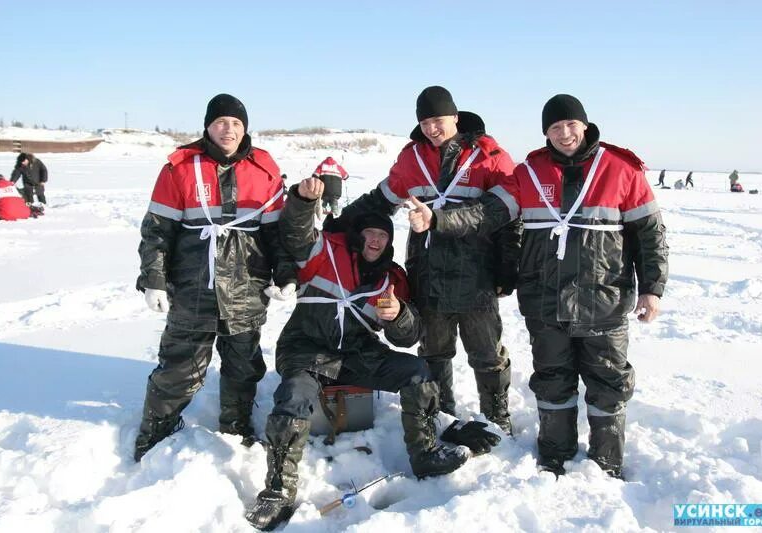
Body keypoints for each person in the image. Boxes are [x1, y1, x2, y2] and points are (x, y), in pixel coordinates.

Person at [408, 94, 669, 478]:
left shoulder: (620, 169)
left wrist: (652, 288)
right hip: (545, 301)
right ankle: (554, 455)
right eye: (555, 127)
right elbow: (487, 213)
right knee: (551, 381)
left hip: (605, 300)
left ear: (584, 124)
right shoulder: (528, 172)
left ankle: (607, 462)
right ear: (545, 132)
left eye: (571, 125)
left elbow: (650, 234)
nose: (564, 134)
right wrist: (438, 221)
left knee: (608, 384)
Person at [246, 178, 497, 531]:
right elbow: (295, 233)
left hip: (358, 355)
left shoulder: (390, 278)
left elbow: (410, 336)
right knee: (293, 396)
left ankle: (424, 454)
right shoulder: (325, 252)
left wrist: (399, 315)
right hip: (307, 351)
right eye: (370, 234)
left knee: (417, 371)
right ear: (358, 236)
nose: (376, 240)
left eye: (384, 236)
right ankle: (278, 490)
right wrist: (302, 201)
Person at [324, 86, 521, 434]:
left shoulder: (488, 156)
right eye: (425, 122)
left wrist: (507, 266)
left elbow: (503, 213)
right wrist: (339, 223)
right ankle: (442, 414)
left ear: (455, 118)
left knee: (486, 353)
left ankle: (497, 417)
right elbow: (379, 201)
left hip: (477, 275)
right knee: (434, 351)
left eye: (438, 120)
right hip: (428, 272)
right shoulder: (412, 159)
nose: (432, 129)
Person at [133, 93, 297, 462]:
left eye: (237, 123)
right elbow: (157, 231)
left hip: (247, 286)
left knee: (243, 364)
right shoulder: (178, 168)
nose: (229, 129)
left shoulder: (265, 169)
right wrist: (154, 279)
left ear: (245, 129)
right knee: (180, 364)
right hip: (192, 285)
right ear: (208, 126)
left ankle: (236, 427)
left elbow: (277, 235)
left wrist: (287, 273)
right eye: (221, 121)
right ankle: (154, 433)